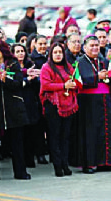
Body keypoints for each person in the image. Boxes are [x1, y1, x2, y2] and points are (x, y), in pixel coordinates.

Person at [0, 40, 30, 182]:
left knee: (17, 142)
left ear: (2, 50)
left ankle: (21, 172)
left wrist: (5, 80)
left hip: (13, 108)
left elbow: (19, 83)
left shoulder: (13, 64)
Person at [71, 35, 111, 173]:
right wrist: (98, 77)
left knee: (106, 131)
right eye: (91, 46)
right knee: (90, 133)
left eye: (97, 45)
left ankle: (106, 162)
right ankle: (89, 164)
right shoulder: (80, 62)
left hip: (104, 100)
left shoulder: (103, 61)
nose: (95, 48)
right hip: (88, 102)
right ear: (85, 48)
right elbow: (80, 80)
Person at [40, 42, 78, 177]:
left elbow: (76, 81)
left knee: (65, 137)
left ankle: (65, 164)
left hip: (68, 105)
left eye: (60, 52)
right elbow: (46, 85)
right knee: (54, 137)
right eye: (55, 52)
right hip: (54, 105)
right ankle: (57, 166)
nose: (58, 55)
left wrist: (74, 84)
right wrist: (64, 85)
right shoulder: (46, 68)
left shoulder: (69, 67)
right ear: (51, 54)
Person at [11, 44, 48, 166]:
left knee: (32, 132)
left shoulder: (30, 65)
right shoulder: (11, 67)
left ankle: (32, 158)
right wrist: (27, 79)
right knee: (21, 134)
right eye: (17, 51)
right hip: (17, 102)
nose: (20, 53)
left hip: (31, 101)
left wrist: (34, 79)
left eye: (22, 51)